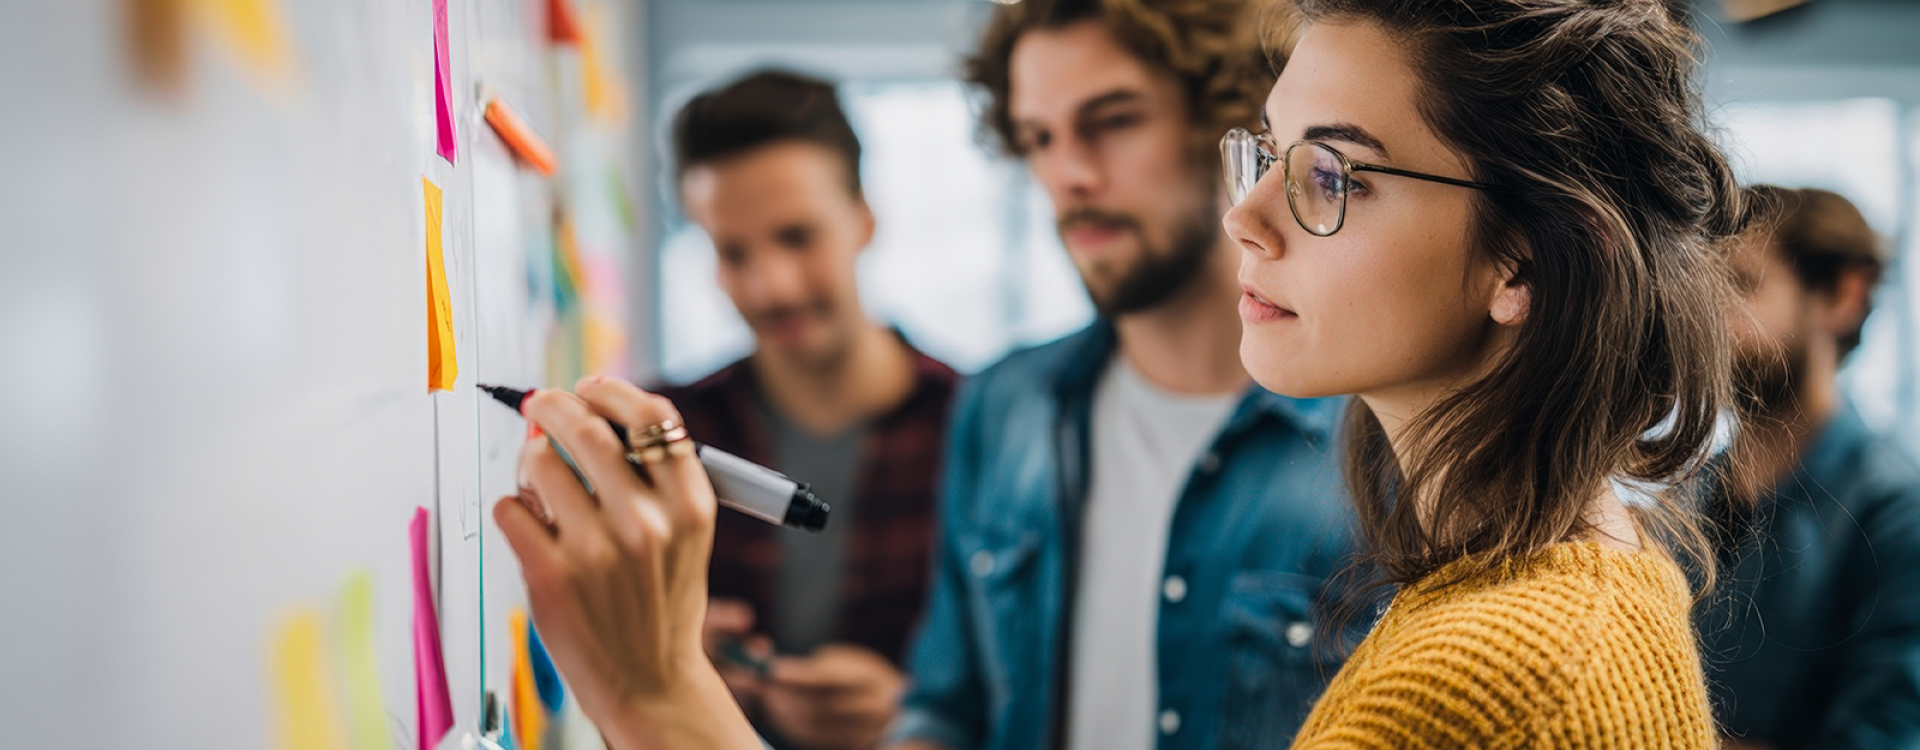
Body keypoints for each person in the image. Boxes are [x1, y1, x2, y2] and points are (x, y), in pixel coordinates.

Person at [488, 0, 1749, 747]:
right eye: (1272, 153)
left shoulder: (1490, 673)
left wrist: (660, 697)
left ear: (1521, 260)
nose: (1244, 215)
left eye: (1331, 176)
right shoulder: (1570, 574)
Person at [892, 2, 1359, 750]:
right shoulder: (1001, 407)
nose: (1069, 174)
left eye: (1112, 121)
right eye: (1038, 138)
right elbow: (946, 710)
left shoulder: (1372, 435)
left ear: (1223, 117)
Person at [657, 69, 960, 750]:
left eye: (797, 237)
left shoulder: (980, 428)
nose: (772, 287)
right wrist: (667, 656)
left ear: (864, 219)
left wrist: (920, 714)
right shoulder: (669, 435)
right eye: (734, 251)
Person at [1701, 185, 1920, 750]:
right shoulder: (1684, 497)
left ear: (1842, 297)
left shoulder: (1895, 511)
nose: (1711, 320)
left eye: (1743, 284)